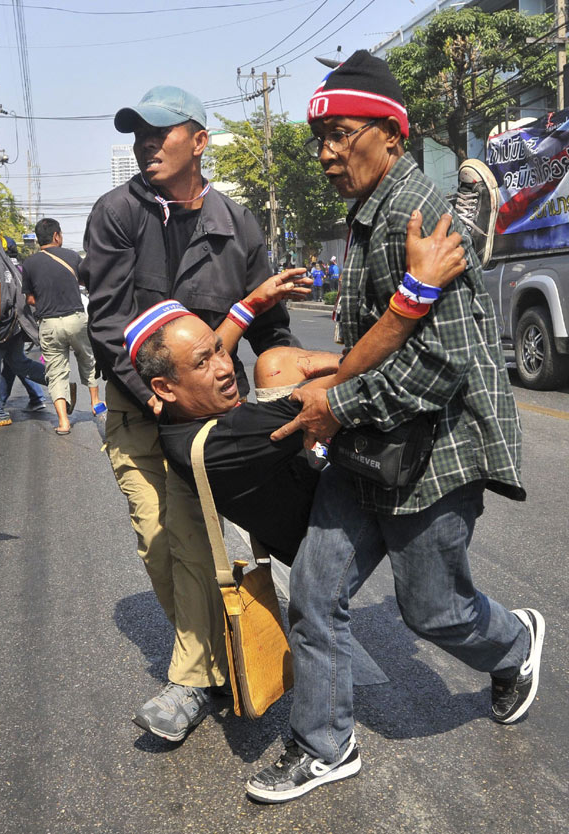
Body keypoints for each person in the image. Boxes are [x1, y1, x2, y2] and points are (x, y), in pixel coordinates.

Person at [245, 50, 545, 804]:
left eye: (341, 135)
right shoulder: (371, 213)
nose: (325, 154)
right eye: (321, 139)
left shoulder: (421, 217)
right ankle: (324, 744)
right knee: (316, 593)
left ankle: (515, 642)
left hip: (436, 453)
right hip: (371, 447)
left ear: (390, 133)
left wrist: (333, 404)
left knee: (433, 611)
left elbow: (440, 365)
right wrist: (325, 378)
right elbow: (385, 337)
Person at [80, 84, 308, 743]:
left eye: (160, 132)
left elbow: (273, 328)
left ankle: (194, 678)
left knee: (193, 540)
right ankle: (208, 664)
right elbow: (109, 323)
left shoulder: (238, 223)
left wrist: (289, 394)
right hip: (137, 408)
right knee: (157, 539)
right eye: (138, 134)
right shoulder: (116, 214)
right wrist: (151, 391)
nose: (145, 144)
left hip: (209, 419)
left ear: (199, 142)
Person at [125, 210, 465, 568]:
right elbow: (341, 383)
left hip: (303, 474)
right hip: (330, 521)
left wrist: (252, 303)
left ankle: (376, 350)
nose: (226, 368)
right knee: (347, 389)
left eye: (219, 350)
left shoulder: (173, 411)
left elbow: (206, 350)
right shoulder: (225, 439)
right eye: (203, 363)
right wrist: (416, 293)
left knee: (273, 364)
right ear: (165, 387)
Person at [21, 218, 102, 435]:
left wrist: (46, 301)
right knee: (87, 359)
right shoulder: (72, 257)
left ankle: (64, 422)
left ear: (38, 239)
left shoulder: (29, 264)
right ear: (57, 236)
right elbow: (86, 282)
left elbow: (29, 299)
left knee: (55, 372)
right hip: (75, 319)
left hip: (49, 324)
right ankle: (95, 402)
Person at [0, 225, 47, 428]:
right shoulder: (0, 262)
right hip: (12, 325)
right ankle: (58, 381)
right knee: (19, 363)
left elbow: (1, 299)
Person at [0, 237, 47, 413]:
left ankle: (55, 382)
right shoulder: (20, 267)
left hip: (10, 324)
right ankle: (34, 397)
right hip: (21, 322)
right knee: (13, 362)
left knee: (15, 362)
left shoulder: (4, 269)